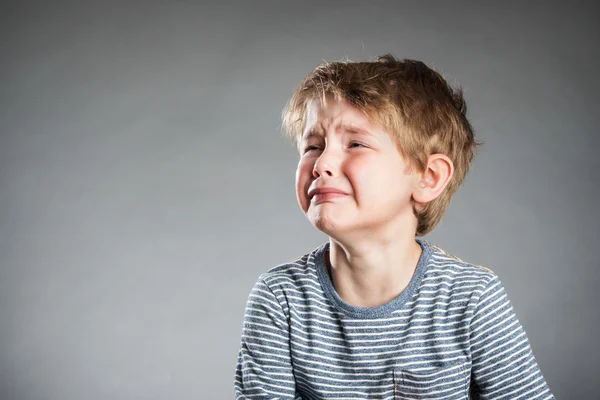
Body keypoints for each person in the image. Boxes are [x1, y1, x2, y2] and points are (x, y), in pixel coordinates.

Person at [233, 54, 554, 399]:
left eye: (355, 143)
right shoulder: (281, 298)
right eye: (313, 146)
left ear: (429, 178)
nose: (322, 163)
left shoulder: (470, 298)